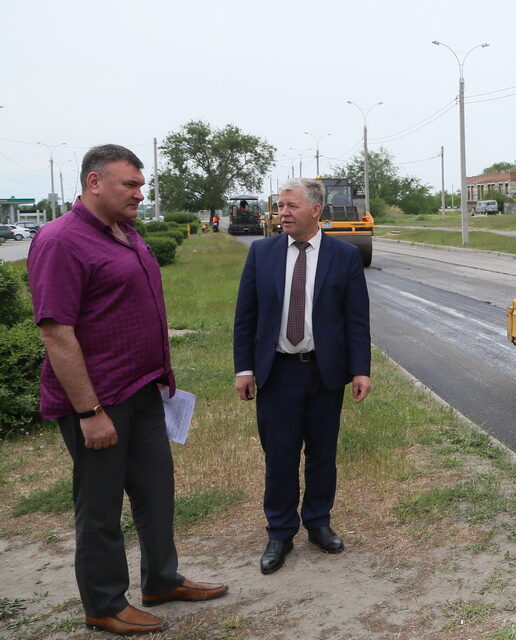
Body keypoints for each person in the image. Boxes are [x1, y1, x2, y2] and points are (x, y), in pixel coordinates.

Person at [27, 144, 228, 636]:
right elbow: (56, 333)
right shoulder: (60, 241)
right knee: (99, 507)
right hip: (99, 401)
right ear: (94, 183)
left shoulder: (126, 233)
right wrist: (90, 411)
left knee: (156, 492)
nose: (140, 193)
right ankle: (103, 604)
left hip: (143, 391)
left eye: (141, 184)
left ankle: (161, 579)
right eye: (130, 185)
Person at [232, 177, 372, 574]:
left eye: (291, 206)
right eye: (280, 206)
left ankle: (318, 523)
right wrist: (244, 368)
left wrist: (360, 369)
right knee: (279, 455)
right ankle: (279, 532)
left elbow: (356, 319)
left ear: (315, 210)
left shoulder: (343, 256)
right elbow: (246, 317)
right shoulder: (262, 253)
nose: (283, 213)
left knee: (322, 455)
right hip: (277, 373)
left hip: (324, 374)